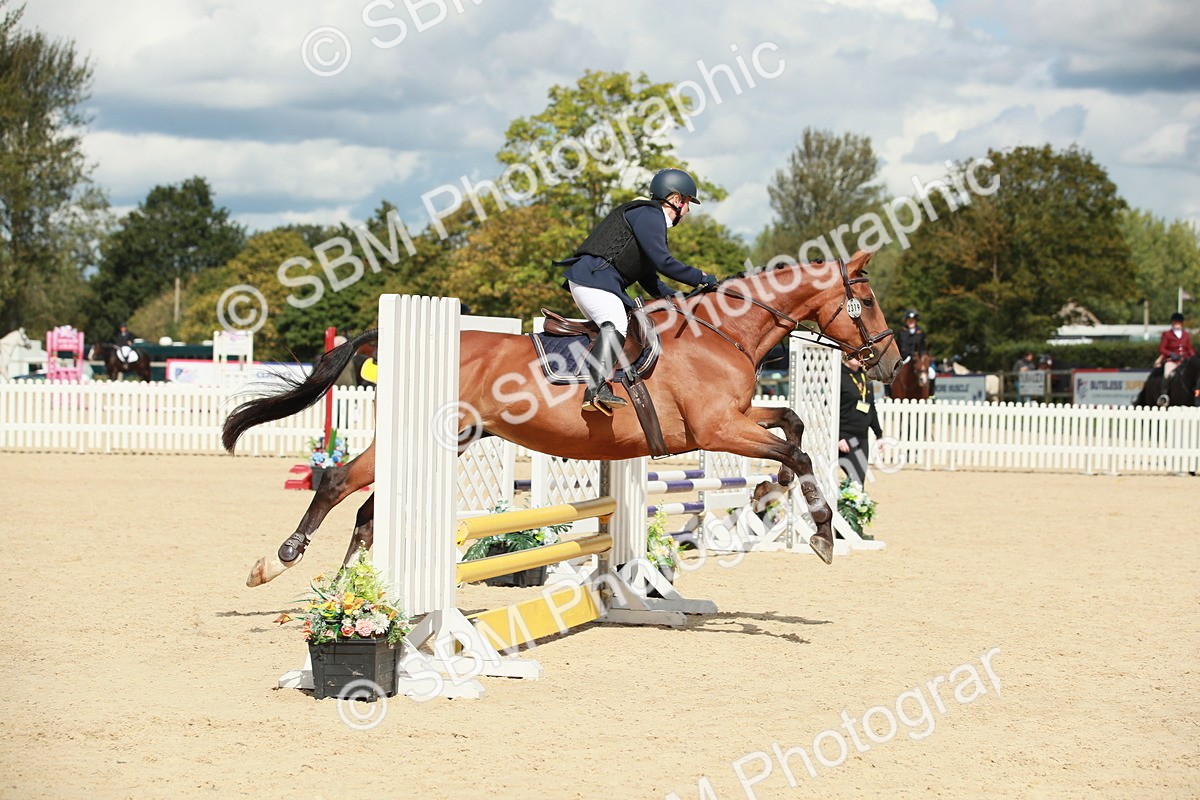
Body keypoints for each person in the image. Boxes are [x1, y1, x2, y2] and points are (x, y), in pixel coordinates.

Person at [557, 168, 718, 413]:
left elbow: (649, 278)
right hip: (594, 280)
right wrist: (700, 277)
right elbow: (664, 262)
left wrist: (677, 299)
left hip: (595, 281)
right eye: (688, 203)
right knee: (616, 323)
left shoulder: (649, 220)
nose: (688, 210)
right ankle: (595, 390)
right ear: (676, 200)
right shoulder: (649, 215)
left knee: (626, 328)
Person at [837, 355, 883, 486]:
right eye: (854, 355)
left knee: (859, 479)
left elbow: (871, 407)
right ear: (845, 355)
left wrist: (879, 434)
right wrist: (838, 437)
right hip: (846, 436)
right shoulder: (839, 376)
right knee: (855, 477)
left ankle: (849, 498)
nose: (858, 358)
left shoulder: (865, 377)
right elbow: (831, 410)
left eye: (860, 355)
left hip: (862, 436)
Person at [1158, 313, 1194, 380]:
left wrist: (1193, 357)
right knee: (1167, 375)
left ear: (1181, 323)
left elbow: (1190, 349)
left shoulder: (1186, 334)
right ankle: (1165, 387)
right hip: (1172, 361)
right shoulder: (1167, 334)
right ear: (1172, 322)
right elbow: (1161, 348)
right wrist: (1170, 353)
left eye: (1179, 322)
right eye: (1175, 321)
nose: (1177, 323)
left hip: (1185, 361)